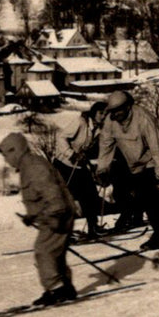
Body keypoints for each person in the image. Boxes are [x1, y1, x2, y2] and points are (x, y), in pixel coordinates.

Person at [96, 90, 159, 251]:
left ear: (128, 107)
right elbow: (106, 145)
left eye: (120, 110)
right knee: (155, 198)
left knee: (150, 197)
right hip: (136, 161)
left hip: (156, 158)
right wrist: (102, 169)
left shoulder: (143, 118)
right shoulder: (110, 122)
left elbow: (158, 148)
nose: (116, 114)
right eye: (113, 111)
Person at [0, 132, 78, 306]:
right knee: (55, 254)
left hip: (57, 215)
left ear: (15, 150)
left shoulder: (33, 166)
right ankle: (65, 287)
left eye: (6, 155)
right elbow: (38, 196)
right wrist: (32, 216)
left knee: (44, 251)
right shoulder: (28, 166)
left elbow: (51, 192)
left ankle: (57, 288)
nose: (5, 160)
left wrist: (56, 214)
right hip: (53, 215)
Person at [56, 101, 107, 239]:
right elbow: (61, 137)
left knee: (90, 195)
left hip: (80, 165)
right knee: (69, 199)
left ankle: (93, 227)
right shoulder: (81, 122)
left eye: (106, 113)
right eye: (101, 113)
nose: (103, 116)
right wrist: (71, 154)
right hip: (64, 164)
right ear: (94, 113)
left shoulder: (99, 129)